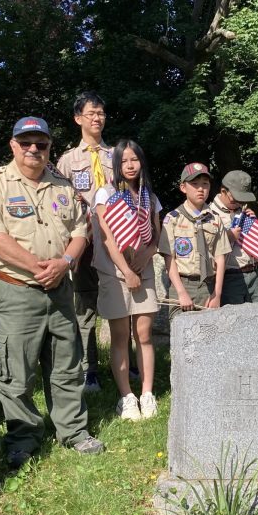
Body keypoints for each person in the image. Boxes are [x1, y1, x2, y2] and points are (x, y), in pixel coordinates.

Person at [0, 116, 104, 469]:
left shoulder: (62, 185)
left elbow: (80, 230)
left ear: (49, 147)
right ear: (13, 145)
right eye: (25, 143)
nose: (33, 149)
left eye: (40, 144)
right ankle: (23, 436)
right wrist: (37, 267)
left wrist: (64, 262)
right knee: (15, 369)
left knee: (66, 364)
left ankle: (73, 431)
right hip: (15, 290)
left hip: (59, 288)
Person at [93, 140, 161, 420]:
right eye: (124, 161)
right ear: (117, 165)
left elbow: (155, 237)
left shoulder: (149, 196)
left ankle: (147, 392)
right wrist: (128, 271)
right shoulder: (105, 194)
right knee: (120, 336)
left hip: (143, 271)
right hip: (115, 273)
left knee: (143, 335)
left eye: (135, 160)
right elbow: (107, 238)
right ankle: (127, 397)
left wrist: (144, 259)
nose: (130, 166)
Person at [56, 91, 113, 392]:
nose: (97, 118)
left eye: (101, 112)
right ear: (78, 118)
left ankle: (123, 362)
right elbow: (60, 203)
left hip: (116, 241)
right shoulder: (68, 161)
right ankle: (89, 368)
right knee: (86, 306)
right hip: (87, 243)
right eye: (91, 113)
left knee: (120, 302)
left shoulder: (117, 155)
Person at [159, 163, 231, 318]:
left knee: (208, 336)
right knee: (181, 336)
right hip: (183, 283)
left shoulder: (215, 219)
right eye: (195, 184)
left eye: (205, 184)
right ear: (183, 188)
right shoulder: (172, 219)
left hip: (208, 286)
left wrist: (217, 294)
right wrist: (181, 292)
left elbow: (220, 257)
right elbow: (169, 258)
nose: (200, 189)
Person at [210, 170, 258, 305]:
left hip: (254, 271)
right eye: (236, 197)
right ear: (223, 191)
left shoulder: (242, 210)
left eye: (242, 198)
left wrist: (253, 223)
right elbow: (208, 246)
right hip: (231, 276)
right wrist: (228, 236)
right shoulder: (210, 214)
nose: (239, 202)